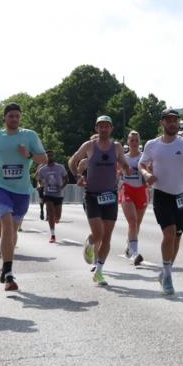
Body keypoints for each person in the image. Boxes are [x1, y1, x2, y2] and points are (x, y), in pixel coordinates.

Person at [138, 109, 183, 296]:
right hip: (162, 194)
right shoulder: (152, 145)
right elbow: (141, 164)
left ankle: (166, 271)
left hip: (181, 195)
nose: (172, 123)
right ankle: (167, 276)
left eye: (175, 120)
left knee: (177, 237)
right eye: (169, 120)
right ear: (162, 123)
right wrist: (147, 174)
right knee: (169, 232)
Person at [0, 102, 47, 291]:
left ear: (20, 118)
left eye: (17, 116)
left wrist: (28, 155)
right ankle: (9, 273)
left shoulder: (29, 135)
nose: (14, 119)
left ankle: (6, 265)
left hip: (21, 189)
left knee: (13, 230)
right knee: (7, 224)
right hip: (0, 185)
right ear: (5, 118)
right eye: (11, 116)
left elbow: (43, 158)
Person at [68, 115, 131, 285]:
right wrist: (78, 176)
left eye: (107, 126)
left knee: (107, 236)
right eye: (100, 126)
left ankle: (99, 271)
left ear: (111, 129)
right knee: (98, 234)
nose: (104, 129)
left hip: (110, 195)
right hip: (92, 195)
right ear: (96, 129)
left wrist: (126, 169)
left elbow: (124, 163)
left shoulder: (116, 147)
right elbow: (72, 161)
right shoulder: (89, 146)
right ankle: (90, 243)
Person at [119, 130, 149, 265]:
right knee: (132, 221)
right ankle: (135, 254)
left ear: (139, 142)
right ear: (128, 142)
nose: (134, 143)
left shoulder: (144, 157)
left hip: (142, 191)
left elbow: (151, 171)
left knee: (137, 224)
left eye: (137, 140)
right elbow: (116, 172)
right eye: (132, 140)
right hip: (127, 190)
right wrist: (123, 171)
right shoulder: (123, 158)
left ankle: (130, 245)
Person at [36, 150, 68, 243]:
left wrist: (61, 187)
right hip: (48, 193)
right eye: (48, 156)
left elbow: (66, 179)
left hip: (58, 194)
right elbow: (38, 180)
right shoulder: (42, 169)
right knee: (50, 213)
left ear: (54, 156)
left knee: (57, 217)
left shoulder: (60, 167)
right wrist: (39, 185)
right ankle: (53, 235)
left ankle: (56, 219)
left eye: (51, 156)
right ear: (45, 157)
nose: (49, 157)